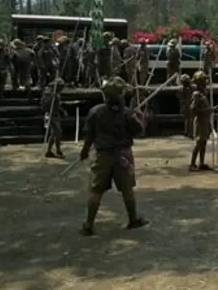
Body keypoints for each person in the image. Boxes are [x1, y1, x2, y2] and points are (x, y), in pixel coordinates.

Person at [79, 77, 148, 236]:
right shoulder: (127, 114)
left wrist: (84, 151)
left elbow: (89, 135)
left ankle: (89, 224)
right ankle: (133, 219)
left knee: (96, 190)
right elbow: (139, 131)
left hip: (103, 155)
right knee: (127, 188)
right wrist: (140, 117)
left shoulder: (96, 111)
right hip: (122, 154)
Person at [189, 71, 218, 171]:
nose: (206, 82)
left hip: (205, 121)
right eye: (203, 81)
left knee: (204, 142)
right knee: (199, 142)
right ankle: (192, 164)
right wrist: (211, 109)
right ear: (199, 82)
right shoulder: (197, 94)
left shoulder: (203, 93)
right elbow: (193, 109)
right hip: (200, 121)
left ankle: (201, 163)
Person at [41, 78, 67, 159]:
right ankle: (58, 150)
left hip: (56, 115)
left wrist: (63, 111)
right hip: (50, 115)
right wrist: (52, 97)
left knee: (54, 133)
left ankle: (49, 151)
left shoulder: (57, 93)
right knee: (58, 132)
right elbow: (45, 105)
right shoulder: (49, 93)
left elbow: (57, 105)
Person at [178, 74, 195, 139]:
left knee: (188, 119)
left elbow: (180, 99)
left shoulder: (182, 88)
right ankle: (189, 133)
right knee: (190, 119)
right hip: (189, 105)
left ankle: (188, 133)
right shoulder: (192, 87)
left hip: (187, 105)